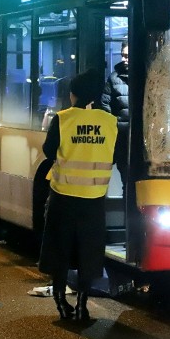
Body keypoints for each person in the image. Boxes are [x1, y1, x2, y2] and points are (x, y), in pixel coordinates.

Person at [39, 68, 118, 321]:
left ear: (73, 95)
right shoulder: (110, 121)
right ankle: (83, 304)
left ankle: (61, 302)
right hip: (94, 198)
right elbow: (114, 155)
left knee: (60, 250)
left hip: (63, 196)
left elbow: (49, 151)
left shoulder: (63, 119)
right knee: (89, 252)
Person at [101, 42, 129, 187]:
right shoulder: (114, 78)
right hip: (122, 137)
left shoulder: (147, 74)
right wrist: (114, 126)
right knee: (126, 178)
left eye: (128, 56)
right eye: (123, 55)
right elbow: (105, 104)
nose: (124, 59)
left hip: (140, 139)